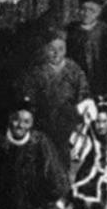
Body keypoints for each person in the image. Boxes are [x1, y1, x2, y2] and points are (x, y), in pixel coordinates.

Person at [20, 28, 91, 168]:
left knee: (63, 156)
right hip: (43, 120)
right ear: (45, 50)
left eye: (60, 49)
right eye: (52, 49)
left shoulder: (74, 69)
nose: (56, 53)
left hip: (67, 120)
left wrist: (80, 113)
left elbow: (83, 93)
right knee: (42, 155)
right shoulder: (37, 71)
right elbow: (29, 97)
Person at [66, 0, 107, 96]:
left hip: (101, 80)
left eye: (92, 10)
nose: (86, 13)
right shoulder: (71, 29)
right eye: (83, 9)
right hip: (76, 80)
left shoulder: (106, 30)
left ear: (99, 12)